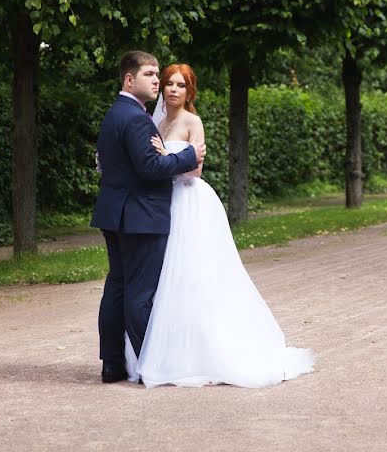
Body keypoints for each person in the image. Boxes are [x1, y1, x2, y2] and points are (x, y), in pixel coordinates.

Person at [124, 63, 315, 387]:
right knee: (164, 277)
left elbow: (195, 170)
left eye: (180, 85)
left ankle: (206, 351)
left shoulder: (192, 122)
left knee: (194, 275)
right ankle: (165, 350)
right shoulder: (154, 121)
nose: (172, 89)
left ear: (189, 91)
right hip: (161, 203)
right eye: (169, 83)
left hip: (189, 201)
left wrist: (163, 160)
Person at [91, 51, 206, 384]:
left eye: (161, 76)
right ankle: (150, 365)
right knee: (139, 294)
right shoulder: (137, 119)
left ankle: (112, 363)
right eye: (151, 75)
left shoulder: (115, 114)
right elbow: (151, 168)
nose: (158, 81)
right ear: (130, 79)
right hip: (141, 217)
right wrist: (188, 155)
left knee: (117, 288)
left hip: (115, 213)